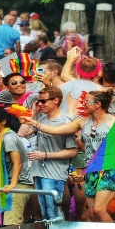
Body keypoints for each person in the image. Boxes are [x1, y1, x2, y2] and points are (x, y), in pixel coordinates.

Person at [23, 91, 115, 223]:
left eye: (87, 101)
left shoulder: (114, 121)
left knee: (98, 210)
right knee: (90, 213)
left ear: (98, 104)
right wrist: (33, 122)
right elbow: (55, 130)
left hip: (109, 169)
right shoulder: (82, 122)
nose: (83, 103)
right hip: (91, 170)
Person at [19, 86, 78, 221]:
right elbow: (22, 133)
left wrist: (45, 155)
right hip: (39, 171)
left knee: (54, 214)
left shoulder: (65, 122)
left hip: (55, 173)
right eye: (38, 101)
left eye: (43, 101)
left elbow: (73, 151)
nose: (40, 104)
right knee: (45, 214)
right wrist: (33, 112)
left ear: (56, 100)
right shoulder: (42, 120)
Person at [59, 47, 100, 118]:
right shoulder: (100, 91)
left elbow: (64, 76)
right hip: (82, 126)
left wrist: (70, 60)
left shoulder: (61, 87)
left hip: (60, 126)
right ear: (98, 73)